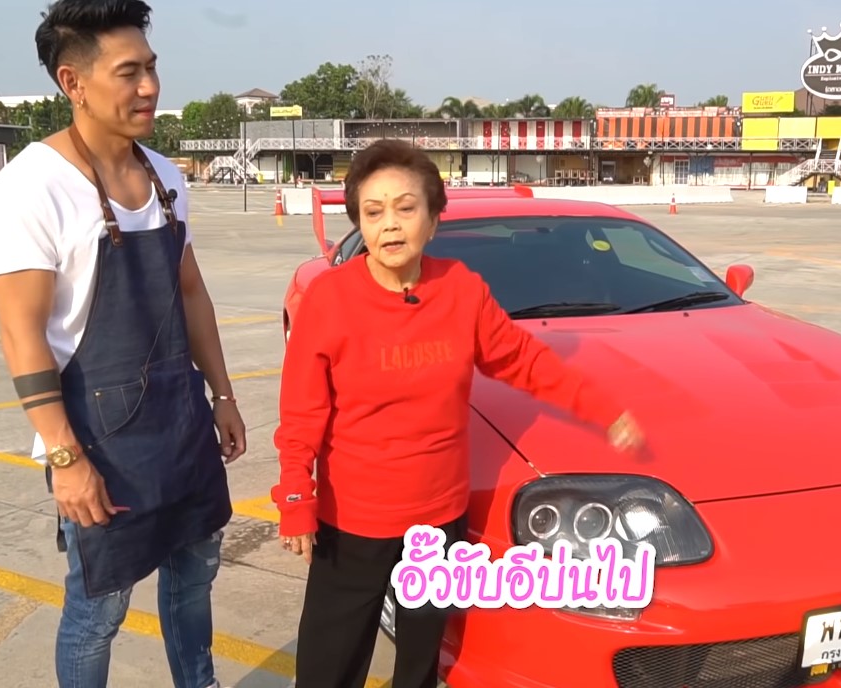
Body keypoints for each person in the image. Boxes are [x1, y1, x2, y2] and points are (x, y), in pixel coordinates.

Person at [271, 139, 645, 688]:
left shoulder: (461, 290)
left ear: (432, 218)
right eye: (373, 212)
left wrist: (602, 410)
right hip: (352, 524)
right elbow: (302, 411)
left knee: (420, 664)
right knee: (329, 669)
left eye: (406, 208)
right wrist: (296, 499)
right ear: (360, 223)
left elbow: (524, 361)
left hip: (437, 520)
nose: (390, 224)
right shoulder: (330, 299)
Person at [0, 1, 245, 686]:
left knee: (194, 578)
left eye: (151, 68)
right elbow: (21, 334)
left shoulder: (165, 176)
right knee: (99, 609)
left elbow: (190, 292)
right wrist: (65, 458)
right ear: (73, 82)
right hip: (98, 437)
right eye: (129, 73)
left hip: (181, 420)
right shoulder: (30, 188)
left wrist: (222, 395)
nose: (149, 86)